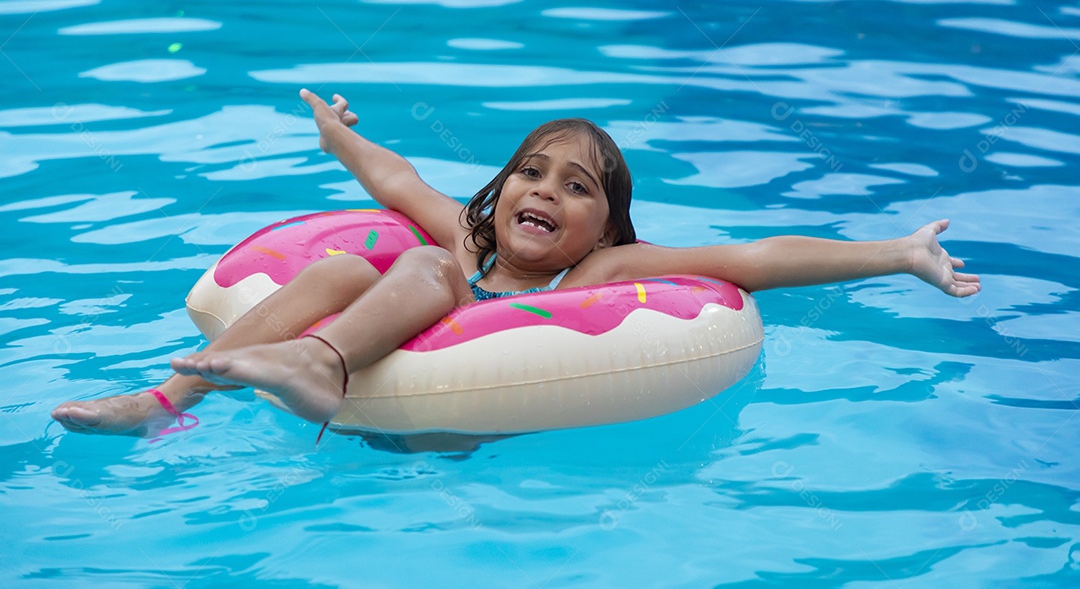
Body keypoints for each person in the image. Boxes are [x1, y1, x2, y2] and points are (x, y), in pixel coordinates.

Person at [51, 88, 980, 437]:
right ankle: (165, 403)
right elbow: (396, 179)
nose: (546, 191)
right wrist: (339, 140)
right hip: (382, 407)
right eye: (532, 172)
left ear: (610, 226)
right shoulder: (467, 237)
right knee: (344, 271)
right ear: (502, 191)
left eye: (579, 188)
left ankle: (321, 367)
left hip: (462, 434)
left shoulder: (605, 278)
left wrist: (897, 254)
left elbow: (757, 256)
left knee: (421, 279)